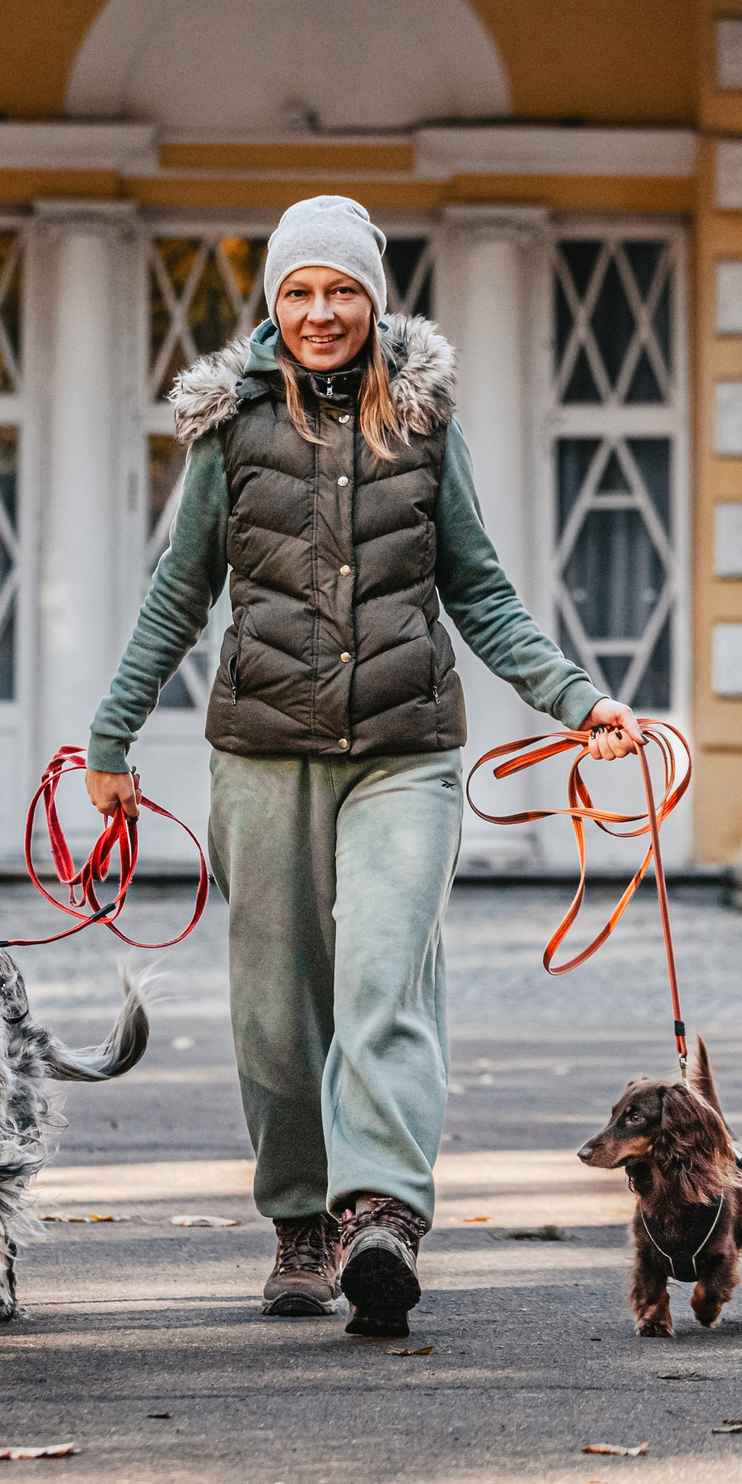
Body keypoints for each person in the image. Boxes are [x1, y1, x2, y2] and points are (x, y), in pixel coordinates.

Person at [83, 194, 644, 1338]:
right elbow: (176, 595)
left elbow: (480, 590)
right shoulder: (230, 431)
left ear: (374, 301)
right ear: (274, 304)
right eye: (299, 291)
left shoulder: (424, 424)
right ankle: (299, 1224)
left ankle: (379, 1215)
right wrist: (112, 737)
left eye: (342, 290)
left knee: (385, 981)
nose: (321, 312)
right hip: (263, 752)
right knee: (279, 1010)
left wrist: (576, 699)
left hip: (404, 752)